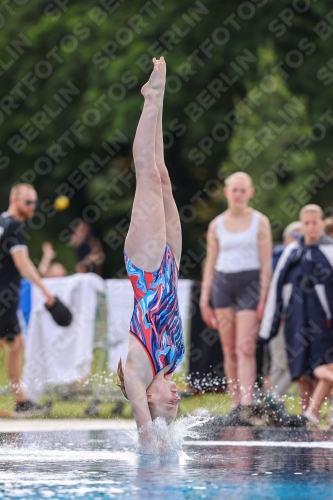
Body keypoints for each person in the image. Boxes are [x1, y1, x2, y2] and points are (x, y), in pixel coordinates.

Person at [115, 57, 184, 440]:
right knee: (163, 176)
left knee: (145, 173)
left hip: (146, 267)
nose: (175, 395)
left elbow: (145, 431)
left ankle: (151, 97)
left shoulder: (137, 370)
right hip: (170, 267)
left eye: (168, 401)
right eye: (177, 401)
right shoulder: (172, 361)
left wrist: (151, 435)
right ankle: (155, 97)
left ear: (145, 396)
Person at [200, 172, 272, 407]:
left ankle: (248, 402)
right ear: (227, 192)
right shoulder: (216, 224)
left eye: (244, 190)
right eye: (235, 190)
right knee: (229, 348)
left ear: (250, 193)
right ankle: (235, 401)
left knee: (245, 347)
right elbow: (210, 262)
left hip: (249, 285)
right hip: (222, 284)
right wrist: (204, 299)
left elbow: (266, 263)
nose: (239, 195)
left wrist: (264, 298)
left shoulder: (260, 221)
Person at [259, 204, 333, 426]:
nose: (311, 227)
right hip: (297, 319)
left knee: (323, 367)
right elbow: (277, 286)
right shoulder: (291, 252)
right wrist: (269, 324)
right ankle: (306, 416)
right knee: (301, 368)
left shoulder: (329, 251)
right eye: (306, 223)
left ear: (321, 223)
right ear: (302, 225)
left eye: (315, 222)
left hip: (324, 320)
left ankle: (315, 413)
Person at [0, 183, 55, 416]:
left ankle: (21, 400)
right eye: (28, 202)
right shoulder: (14, 226)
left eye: (34, 202)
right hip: (4, 294)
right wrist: (44, 289)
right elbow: (22, 264)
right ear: (15, 200)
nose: (32, 207)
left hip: (5, 295)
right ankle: (21, 401)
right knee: (11, 344)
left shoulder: (2, 221)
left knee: (15, 344)